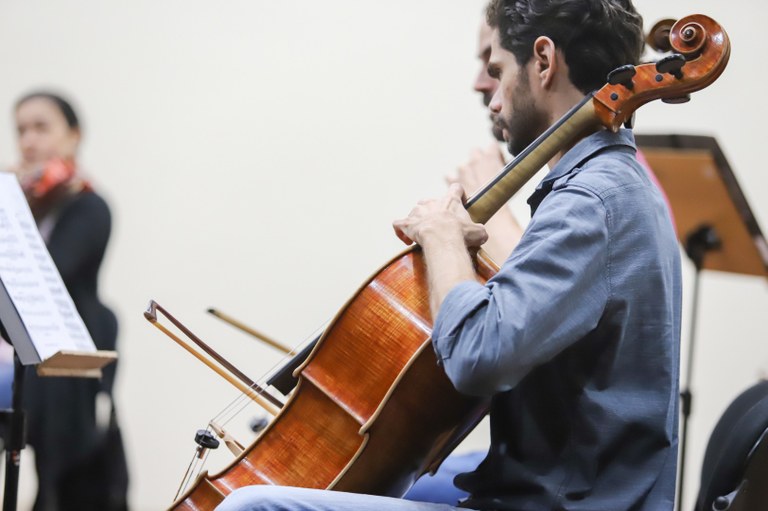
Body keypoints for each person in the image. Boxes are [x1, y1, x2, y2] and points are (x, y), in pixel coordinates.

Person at [217, 0, 681, 509]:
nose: (492, 97)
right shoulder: (610, 185)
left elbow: (477, 357)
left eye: (497, 70)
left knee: (252, 506)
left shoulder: (591, 199)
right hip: (552, 493)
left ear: (544, 61)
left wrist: (442, 238)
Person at [10, 91, 129, 510]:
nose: (28, 140)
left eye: (41, 127)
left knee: (58, 473)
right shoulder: (25, 203)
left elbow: (50, 273)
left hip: (67, 354)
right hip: (23, 354)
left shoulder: (89, 206)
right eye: (21, 130)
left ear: (73, 135)